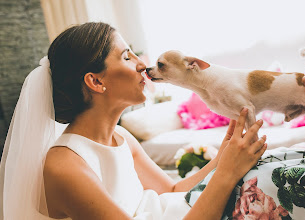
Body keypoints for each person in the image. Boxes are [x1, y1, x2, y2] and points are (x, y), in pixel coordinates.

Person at [0, 22, 267, 220]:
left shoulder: (123, 137)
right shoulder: (64, 165)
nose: (143, 64)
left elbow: (171, 189)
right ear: (96, 81)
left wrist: (222, 156)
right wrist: (226, 174)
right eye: (127, 57)